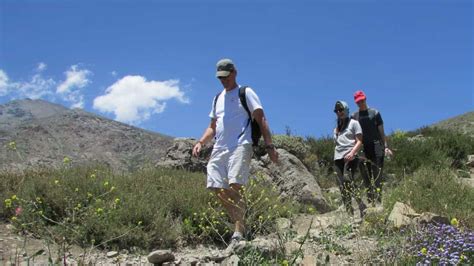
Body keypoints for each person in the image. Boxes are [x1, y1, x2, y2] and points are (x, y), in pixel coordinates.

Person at [192, 58, 278, 251]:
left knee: (234, 186)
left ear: (234, 73)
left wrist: (269, 145)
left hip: (241, 144)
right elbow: (212, 126)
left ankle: (238, 232)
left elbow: (260, 117)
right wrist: (200, 142)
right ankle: (240, 221)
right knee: (215, 186)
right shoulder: (217, 98)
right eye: (220, 78)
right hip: (220, 147)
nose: (223, 80)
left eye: (226, 76)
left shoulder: (245, 92)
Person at [351, 90, 393, 205]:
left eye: (362, 100)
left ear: (365, 99)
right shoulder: (354, 116)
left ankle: (378, 203)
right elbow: (352, 134)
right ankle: (370, 203)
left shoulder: (375, 113)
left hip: (376, 146)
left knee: (377, 175)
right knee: (365, 175)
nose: (361, 103)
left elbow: (381, 132)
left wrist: (386, 147)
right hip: (363, 148)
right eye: (358, 102)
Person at [333, 100, 366, 217]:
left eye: (341, 110)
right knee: (342, 185)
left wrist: (352, 153)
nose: (339, 112)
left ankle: (361, 205)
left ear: (346, 110)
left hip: (351, 156)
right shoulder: (336, 129)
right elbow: (337, 144)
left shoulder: (354, 123)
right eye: (336, 110)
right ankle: (349, 213)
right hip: (338, 158)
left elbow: (359, 141)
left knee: (348, 179)